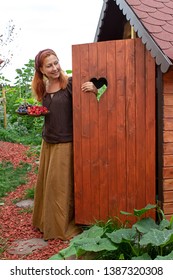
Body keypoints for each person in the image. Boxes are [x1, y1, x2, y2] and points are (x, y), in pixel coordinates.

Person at [32, 48, 97, 240]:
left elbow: (89, 104)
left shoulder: (69, 83)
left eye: (56, 63)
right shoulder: (42, 87)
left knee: (59, 186)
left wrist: (93, 89)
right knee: (47, 184)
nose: (54, 68)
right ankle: (45, 221)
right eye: (49, 65)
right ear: (41, 70)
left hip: (65, 141)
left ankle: (59, 225)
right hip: (48, 141)